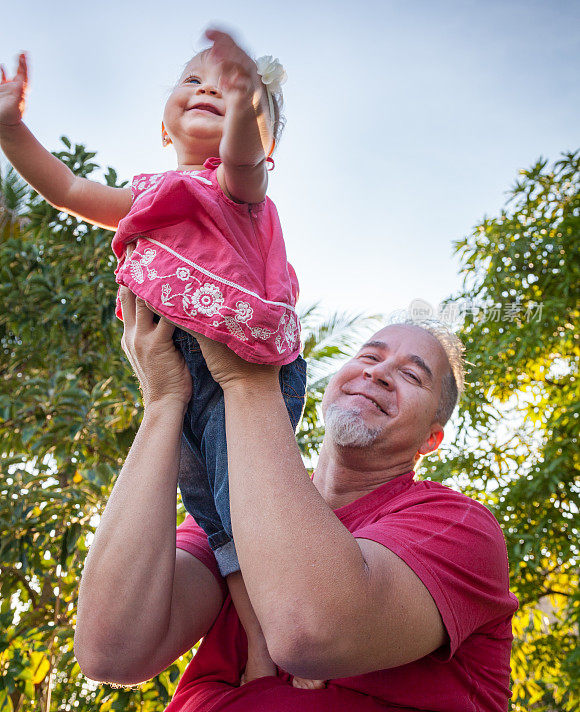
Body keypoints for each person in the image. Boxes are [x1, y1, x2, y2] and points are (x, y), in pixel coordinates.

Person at [0, 30, 307, 684]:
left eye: (229, 88)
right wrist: (10, 132)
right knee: (210, 514)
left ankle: (286, 629)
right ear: (163, 126)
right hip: (180, 372)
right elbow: (69, 188)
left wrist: (251, 106)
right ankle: (257, 639)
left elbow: (246, 159)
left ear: (263, 140)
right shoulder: (150, 197)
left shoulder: (235, 190)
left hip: (244, 379)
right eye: (193, 81)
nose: (207, 90)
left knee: (243, 503)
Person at [74, 291, 519, 712]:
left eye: (411, 375)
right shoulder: (238, 500)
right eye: (369, 356)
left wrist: (249, 380)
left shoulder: (459, 525)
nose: (378, 373)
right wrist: (164, 401)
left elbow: (313, 631)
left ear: (431, 439)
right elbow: (111, 650)